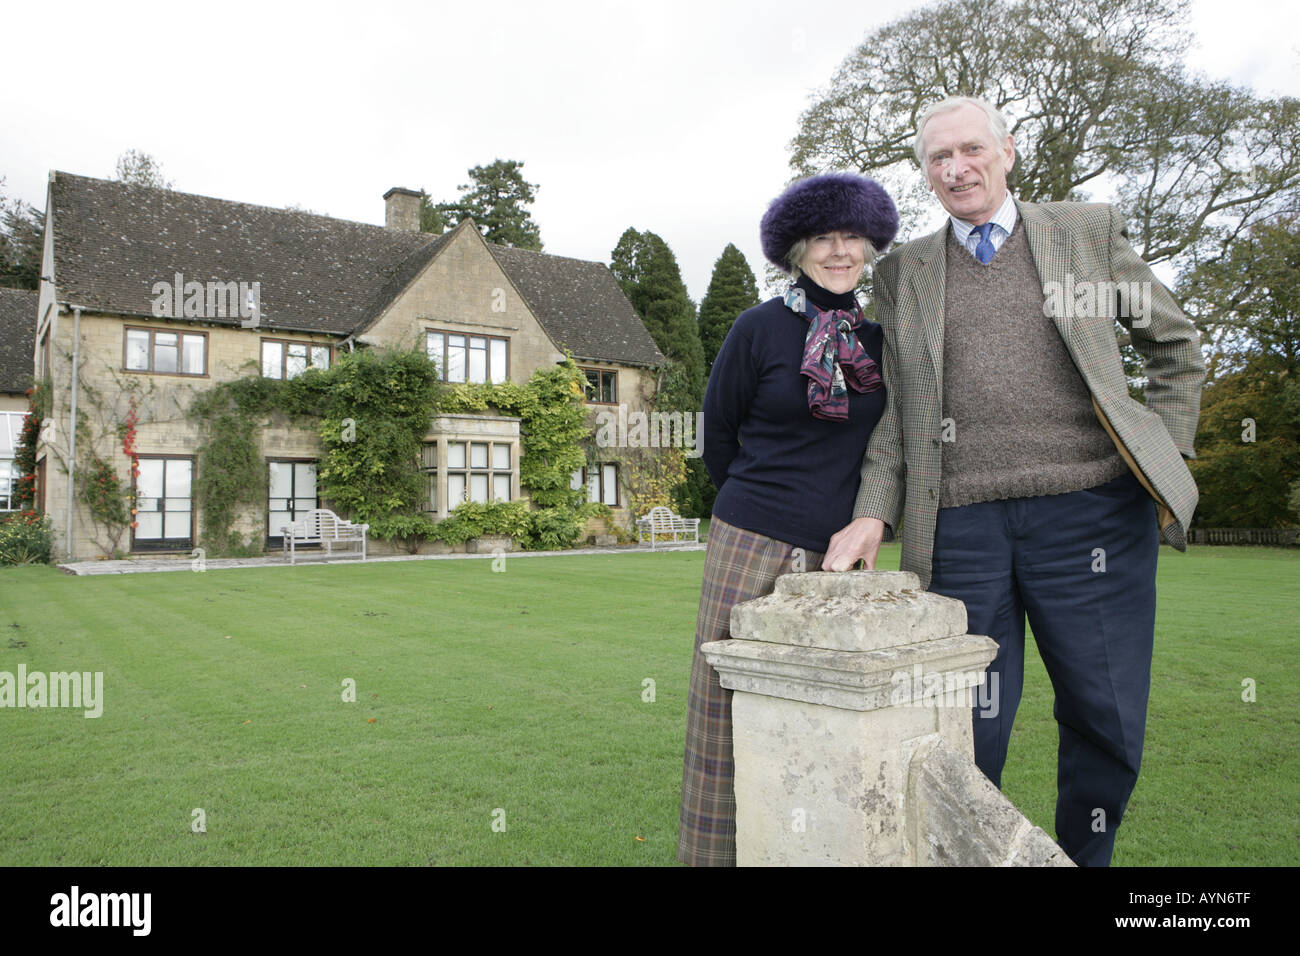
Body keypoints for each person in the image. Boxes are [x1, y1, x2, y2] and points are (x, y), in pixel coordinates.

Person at [823, 97, 1205, 866]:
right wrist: (872, 513)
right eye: (938, 158)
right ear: (925, 170)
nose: (956, 169)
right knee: (965, 722)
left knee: (1105, 714)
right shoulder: (905, 272)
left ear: (1008, 152)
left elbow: (1175, 345)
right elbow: (897, 413)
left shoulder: (1084, 235)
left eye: (971, 150)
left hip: (1093, 516)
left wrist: (1156, 453)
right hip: (960, 525)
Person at [678, 172, 899, 867]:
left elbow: (892, 444)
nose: (839, 251)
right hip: (751, 536)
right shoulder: (758, 328)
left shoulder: (882, 337)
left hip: (842, 553)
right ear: (798, 251)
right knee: (725, 707)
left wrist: (870, 520)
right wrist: (763, 509)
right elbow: (718, 436)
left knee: (825, 716)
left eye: (851, 238)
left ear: (868, 246)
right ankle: (714, 856)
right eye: (823, 239)